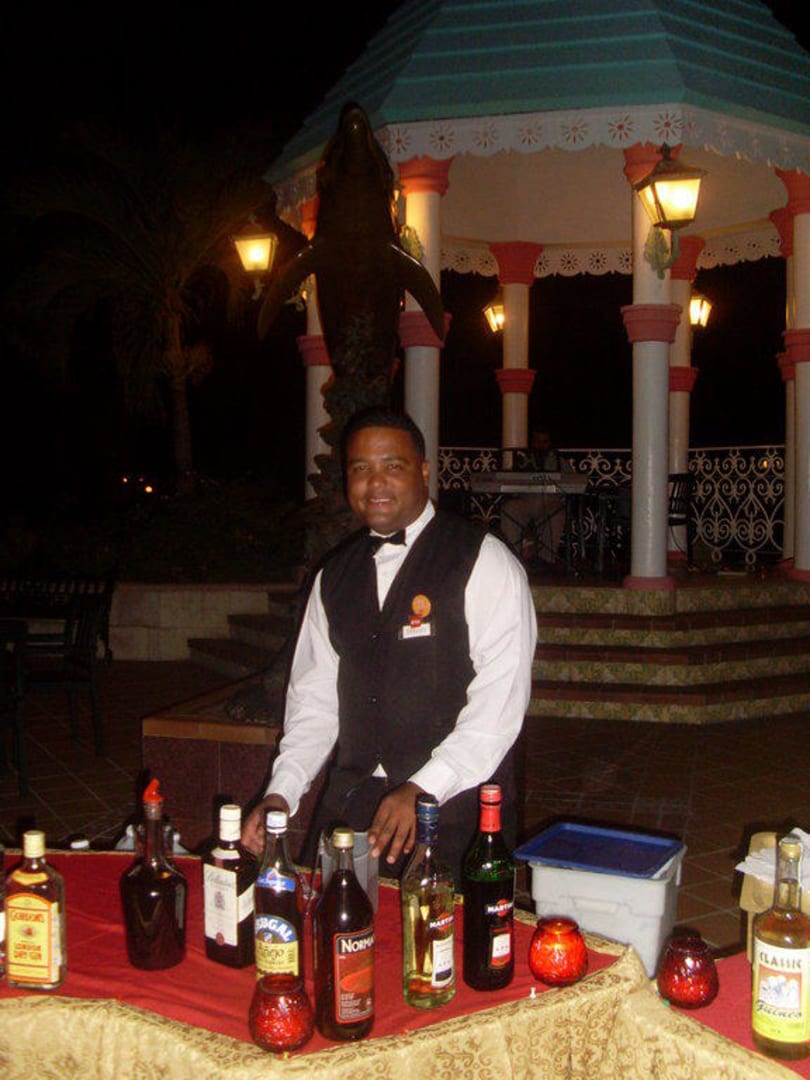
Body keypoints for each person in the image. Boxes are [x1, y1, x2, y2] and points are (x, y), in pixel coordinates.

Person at [242, 407, 536, 879]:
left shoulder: (483, 560)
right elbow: (314, 702)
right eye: (360, 468)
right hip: (352, 805)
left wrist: (425, 787)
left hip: (455, 808)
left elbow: (500, 704)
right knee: (333, 920)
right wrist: (282, 791)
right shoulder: (332, 577)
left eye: (392, 466)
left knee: (439, 927)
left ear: (424, 471)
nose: (375, 482)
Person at [500, 430, 567, 565]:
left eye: (544, 442)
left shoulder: (559, 460)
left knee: (557, 512)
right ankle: (513, 557)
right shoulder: (523, 460)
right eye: (537, 442)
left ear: (550, 443)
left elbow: (570, 483)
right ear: (532, 443)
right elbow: (511, 482)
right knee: (509, 508)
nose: (541, 445)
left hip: (549, 502)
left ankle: (546, 559)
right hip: (526, 501)